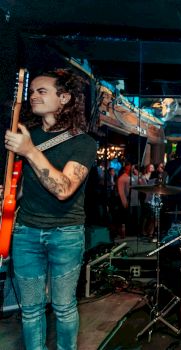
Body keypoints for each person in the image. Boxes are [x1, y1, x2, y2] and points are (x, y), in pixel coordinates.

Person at [4, 68, 97, 350]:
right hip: (26, 231)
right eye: (31, 91)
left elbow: (64, 189)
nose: (33, 96)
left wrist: (30, 151)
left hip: (65, 233)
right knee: (30, 310)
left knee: (63, 306)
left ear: (65, 98)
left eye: (42, 91)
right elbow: (22, 185)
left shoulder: (83, 142)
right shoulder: (26, 134)